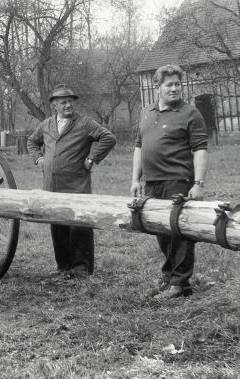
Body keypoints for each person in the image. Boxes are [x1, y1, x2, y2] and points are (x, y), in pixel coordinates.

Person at [130, 64, 208, 299]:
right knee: (161, 231)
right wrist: (135, 179)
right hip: (153, 182)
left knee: (179, 231)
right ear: (157, 87)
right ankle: (170, 275)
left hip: (178, 181)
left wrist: (199, 183)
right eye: (169, 85)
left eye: (178, 84)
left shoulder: (190, 113)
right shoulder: (146, 112)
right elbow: (139, 147)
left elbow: (200, 150)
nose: (175, 89)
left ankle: (180, 284)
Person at [27, 86, 116, 279]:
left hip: (77, 186)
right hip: (52, 187)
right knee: (58, 226)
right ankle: (64, 267)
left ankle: (82, 270)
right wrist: (39, 159)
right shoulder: (46, 125)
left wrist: (92, 158)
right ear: (54, 105)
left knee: (79, 226)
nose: (68, 105)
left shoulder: (85, 123)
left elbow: (108, 138)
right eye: (63, 102)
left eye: (70, 101)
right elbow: (32, 142)